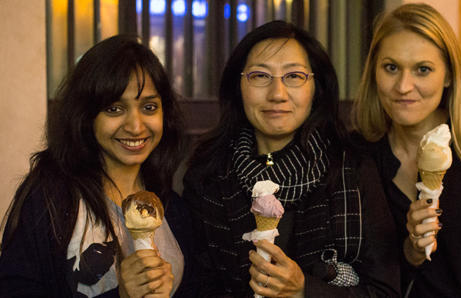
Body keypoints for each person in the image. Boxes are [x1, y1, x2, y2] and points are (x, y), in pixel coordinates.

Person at [182, 20, 400, 297]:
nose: (277, 94)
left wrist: (305, 291)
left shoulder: (352, 167)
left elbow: (386, 291)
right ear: (238, 86)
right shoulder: (208, 174)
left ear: (316, 87)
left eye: (294, 76)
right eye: (260, 76)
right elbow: (195, 288)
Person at [352, 3, 461, 297]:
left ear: (448, 75)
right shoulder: (356, 158)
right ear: (374, 72)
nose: (404, 86)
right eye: (391, 67)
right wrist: (410, 253)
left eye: (423, 70)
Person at [0, 35, 197, 297]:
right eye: (114, 109)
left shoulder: (174, 209)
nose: (136, 126)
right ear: (86, 116)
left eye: (149, 107)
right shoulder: (51, 197)